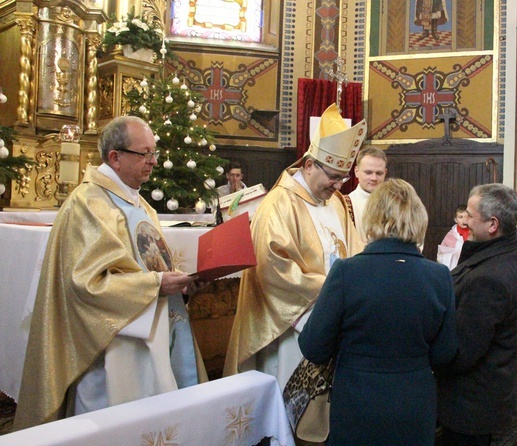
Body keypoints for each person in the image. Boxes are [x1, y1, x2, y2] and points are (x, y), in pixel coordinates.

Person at [13, 116, 208, 431]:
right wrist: (157, 284)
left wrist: (179, 285)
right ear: (115, 157)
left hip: (154, 334)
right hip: (113, 345)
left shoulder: (138, 203)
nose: (153, 161)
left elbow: (149, 262)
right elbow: (86, 285)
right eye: (144, 154)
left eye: (154, 153)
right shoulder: (87, 204)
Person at [299, 178, 457, 445]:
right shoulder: (439, 276)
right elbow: (445, 353)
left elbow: (314, 347)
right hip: (414, 402)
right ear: (419, 218)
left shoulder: (346, 272)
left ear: (371, 218)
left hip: (357, 400)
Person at [223, 103, 366, 390]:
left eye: (343, 178)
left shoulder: (336, 202)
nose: (338, 185)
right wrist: (334, 291)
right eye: (333, 176)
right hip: (292, 324)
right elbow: (273, 268)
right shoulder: (279, 203)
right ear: (310, 165)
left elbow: (355, 251)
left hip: (334, 318)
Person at [435, 183, 517, 446]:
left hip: (469, 405)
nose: (464, 223)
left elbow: (462, 353)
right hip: (483, 399)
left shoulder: (489, 278)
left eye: (469, 216)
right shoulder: (509, 254)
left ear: (492, 224)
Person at [345, 146, 388, 242]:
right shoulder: (345, 205)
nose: (374, 178)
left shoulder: (396, 203)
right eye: (368, 172)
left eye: (379, 173)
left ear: (385, 173)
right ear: (356, 172)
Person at [437, 204, 469, 269]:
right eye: (461, 217)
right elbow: (442, 253)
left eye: (467, 217)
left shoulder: (475, 232)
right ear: (455, 219)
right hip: (455, 267)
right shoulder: (451, 235)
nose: (464, 220)